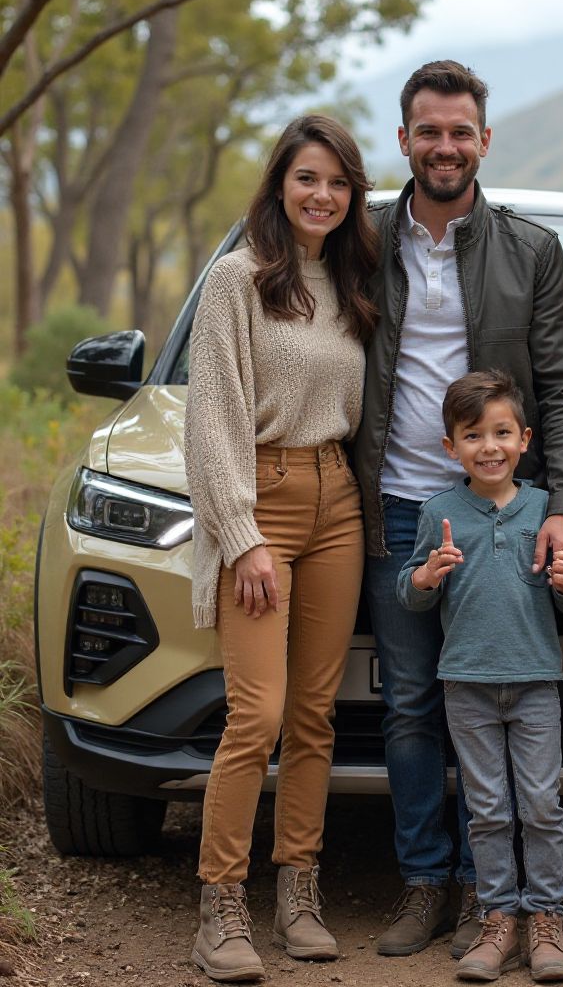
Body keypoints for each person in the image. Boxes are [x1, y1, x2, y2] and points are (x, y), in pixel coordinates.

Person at [353, 60, 563, 959]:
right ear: (404, 138)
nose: (444, 146)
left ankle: (498, 899)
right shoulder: (362, 240)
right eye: (429, 131)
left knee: (509, 696)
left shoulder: (532, 251)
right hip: (396, 505)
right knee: (413, 705)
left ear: (484, 141)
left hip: (504, 510)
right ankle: (428, 883)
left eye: (461, 132)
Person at [184, 115, 378, 982]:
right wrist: (241, 536)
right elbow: (211, 416)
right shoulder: (237, 278)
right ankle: (220, 905)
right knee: (255, 714)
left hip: (339, 501)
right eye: (308, 178)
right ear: (280, 185)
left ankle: (298, 893)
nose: (322, 195)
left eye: (338, 182)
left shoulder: (353, 281)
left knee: (312, 715)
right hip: (260, 501)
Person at [396, 371, 563, 983]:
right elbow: (410, 591)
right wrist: (426, 576)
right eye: (473, 435)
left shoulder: (545, 508)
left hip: (535, 681)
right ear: (450, 447)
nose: (489, 447)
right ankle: (497, 917)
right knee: (486, 809)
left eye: (502, 433)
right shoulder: (438, 512)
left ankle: (547, 919)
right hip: (466, 683)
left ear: (525, 439)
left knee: (542, 805)